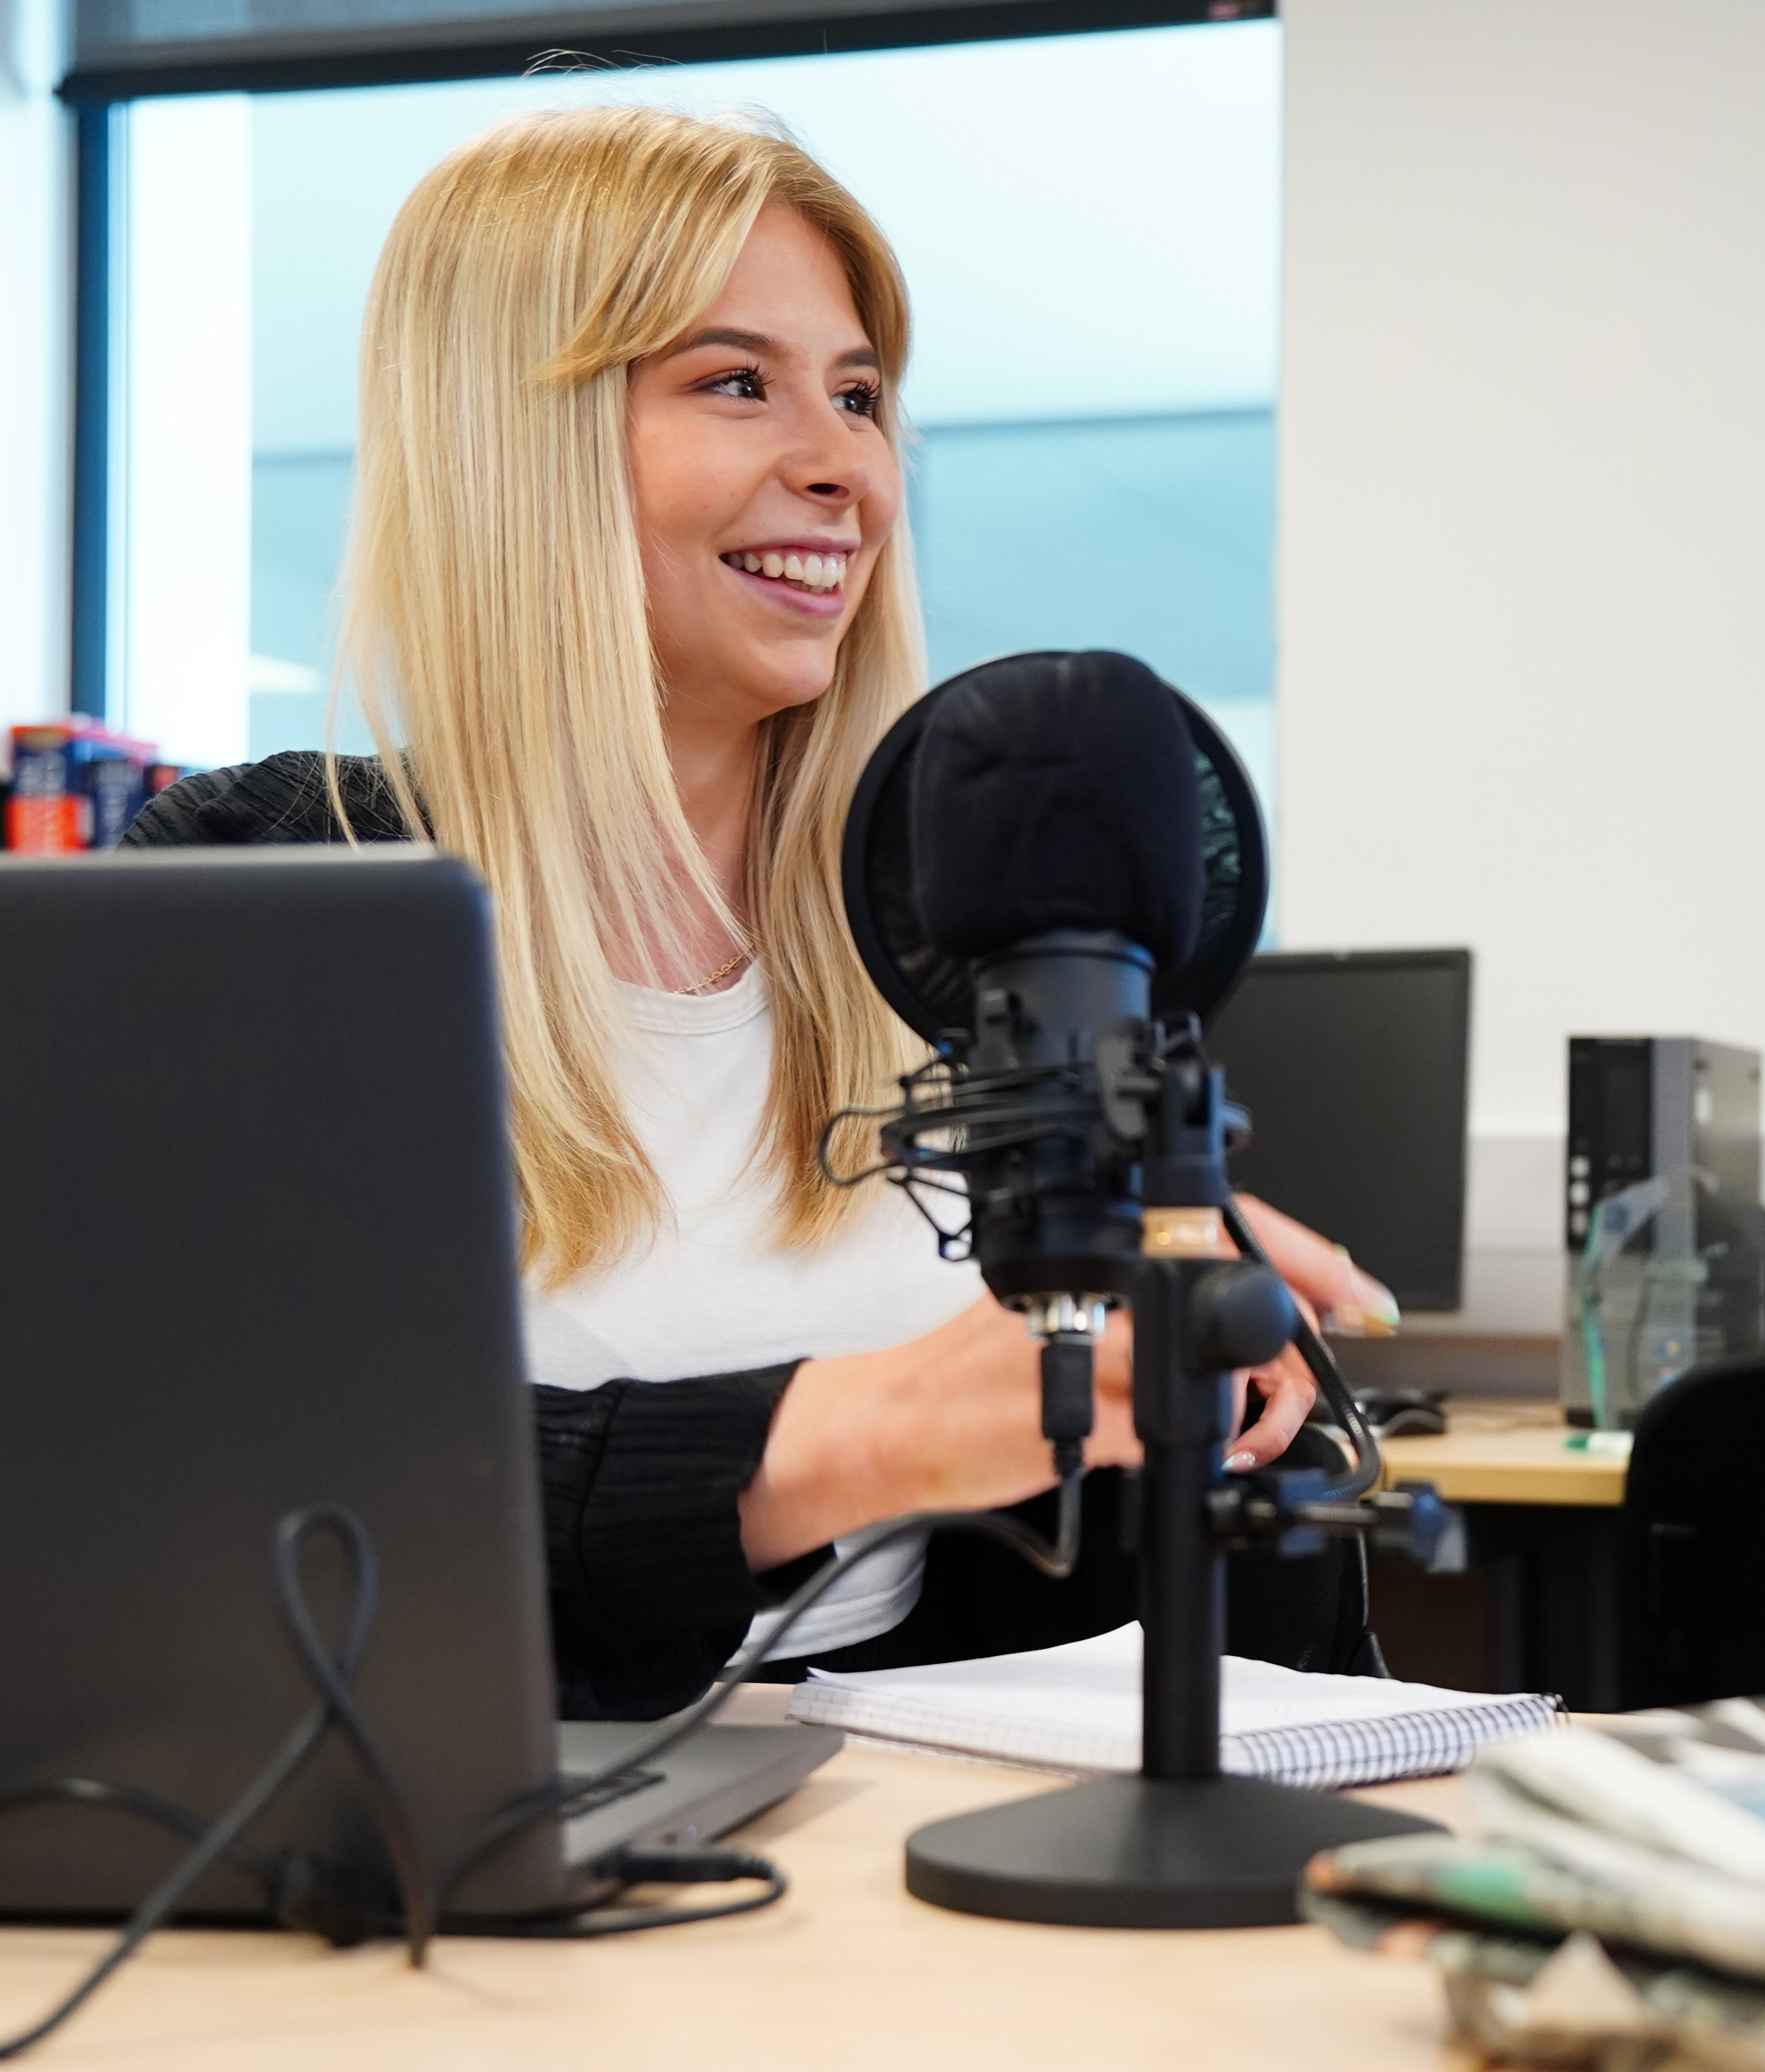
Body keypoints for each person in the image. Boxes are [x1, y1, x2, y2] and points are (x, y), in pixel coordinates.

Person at [126, 105, 1395, 1717]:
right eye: (739, 382)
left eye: (858, 397)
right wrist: (861, 1429)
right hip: (445, 1848)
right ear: (519, 443)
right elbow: (204, 1506)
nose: (843, 467)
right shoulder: (255, 896)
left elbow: (1178, 1600)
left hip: (888, 1861)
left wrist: (1187, 1377)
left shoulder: (960, 918)